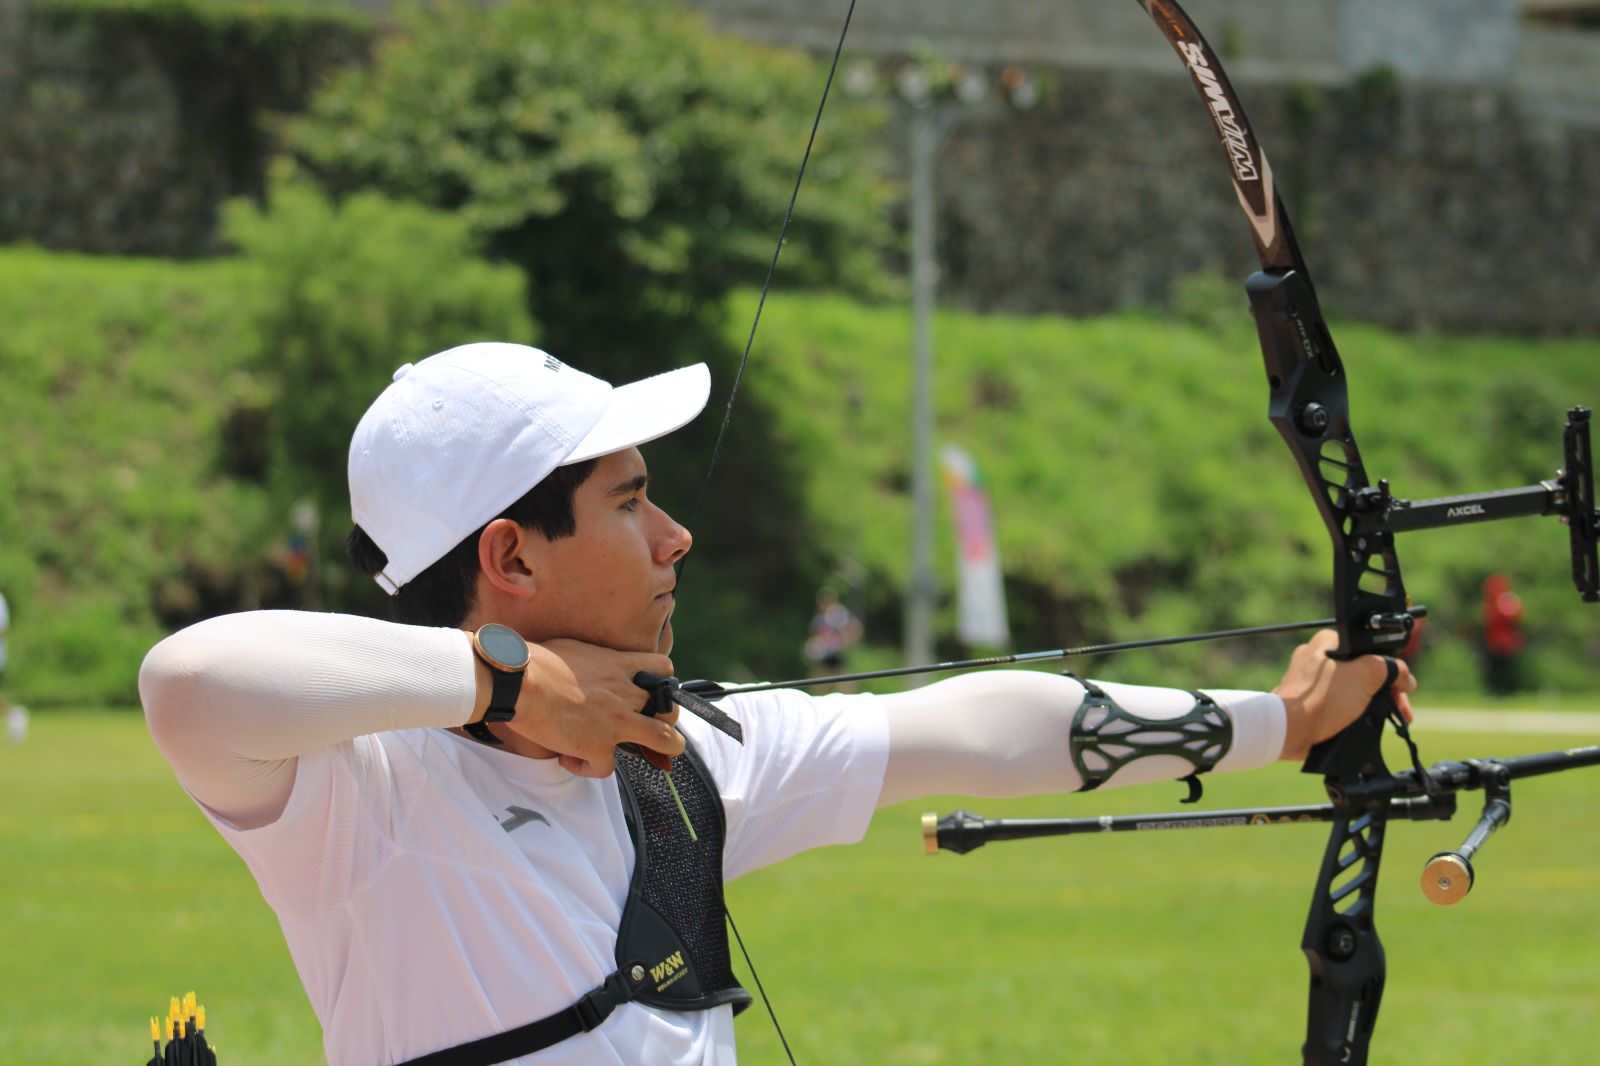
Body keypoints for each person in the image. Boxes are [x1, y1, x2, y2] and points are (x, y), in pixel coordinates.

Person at [139, 342, 1416, 1066]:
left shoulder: (681, 755)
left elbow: (976, 727)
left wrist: (1276, 722)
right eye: (632, 501)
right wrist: (510, 682)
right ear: (510, 557)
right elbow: (191, 684)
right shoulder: (373, 790)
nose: (676, 537)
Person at [803, 585, 862, 690]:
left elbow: (855, 628)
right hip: (823, 657)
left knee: (845, 687)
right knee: (819, 686)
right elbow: (814, 638)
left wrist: (848, 642)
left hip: (837, 655)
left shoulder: (840, 615)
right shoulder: (818, 620)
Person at [1481, 572, 1526, 696]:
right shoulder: (1490, 603)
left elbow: (1515, 617)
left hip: (1506, 642)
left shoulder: (1507, 600)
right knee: (1493, 668)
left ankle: (1508, 691)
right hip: (1493, 642)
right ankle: (1495, 691)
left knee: (1506, 669)